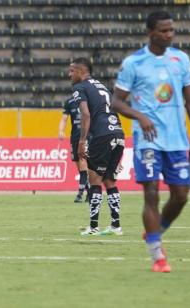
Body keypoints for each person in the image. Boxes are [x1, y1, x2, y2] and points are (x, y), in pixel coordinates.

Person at [112, 11, 190, 273]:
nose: (169, 34)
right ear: (150, 32)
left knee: (181, 196)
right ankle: (158, 256)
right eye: (164, 30)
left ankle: (155, 231)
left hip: (176, 139)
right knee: (151, 193)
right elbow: (116, 100)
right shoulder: (134, 63)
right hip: (148, 140)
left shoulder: (181, 60)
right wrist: (140, 116)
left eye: (171, 30)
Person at [69, 58, 125, 237]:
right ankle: (116, 226)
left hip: (102, 136)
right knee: (109, 181)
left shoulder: (80, 87)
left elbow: (85, 115)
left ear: (80, 71)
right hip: (118, 133)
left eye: (72, 71)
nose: (69, 75)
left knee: (95, 181)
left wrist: (81, 142)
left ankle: (93, 227)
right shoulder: (102, 86)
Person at [58, 96, 90, 203]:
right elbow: (64, 119)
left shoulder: (88, 100)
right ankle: (89, 192)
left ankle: (80, 194)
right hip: (75, 137)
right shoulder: (69, 102)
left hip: (86, 136)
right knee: (79, 165)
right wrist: (61, 130)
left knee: (83, 162)